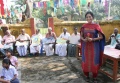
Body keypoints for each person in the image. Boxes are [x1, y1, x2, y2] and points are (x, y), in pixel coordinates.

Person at [80, 11, 105, 83]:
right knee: (86, 61)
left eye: (90, 16)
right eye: (87, 17)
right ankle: (87, 76)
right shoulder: (83, 26)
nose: (88, 18)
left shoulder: (97, 26)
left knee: (94, 61)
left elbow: (101, 37)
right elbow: (81, 36)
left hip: (95, 47)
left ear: (92, 17)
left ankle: (94, 77)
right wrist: (84, 39)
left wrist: (93, 39)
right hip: (86, 47)